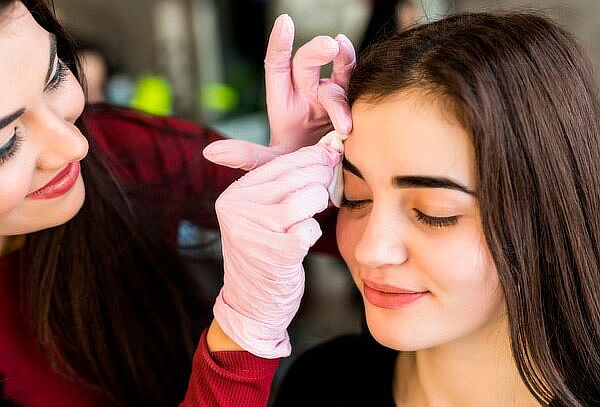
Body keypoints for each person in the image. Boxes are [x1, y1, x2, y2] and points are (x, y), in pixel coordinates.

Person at [223, 11, 600, 407]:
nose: (371, 249)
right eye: (355, 196)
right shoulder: (323, 383)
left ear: (547, 216)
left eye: (434, 212)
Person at [0, 0, 356, 406]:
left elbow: (380, 244)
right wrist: (241, 337)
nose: (76, 145)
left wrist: (322, 181)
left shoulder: (117, 151)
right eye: (6, 143)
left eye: (54, 75)